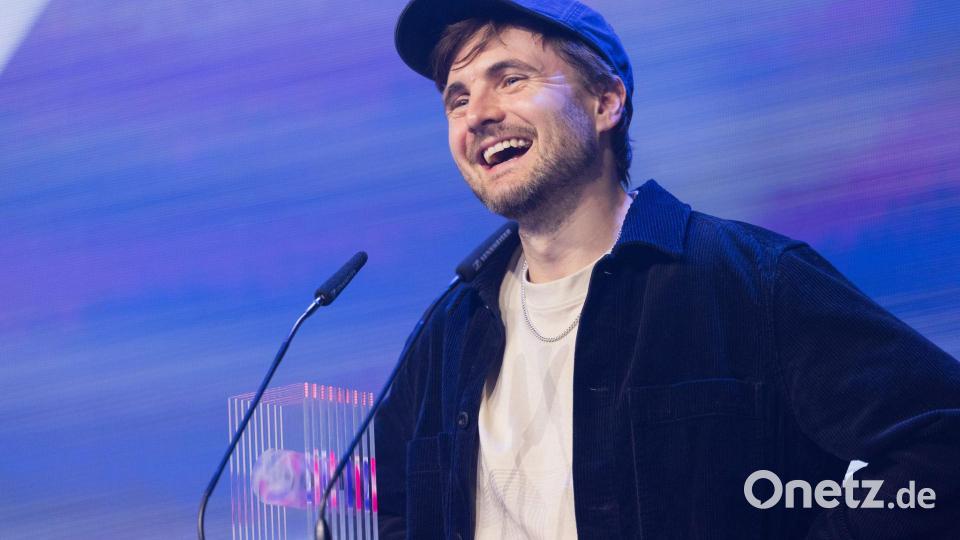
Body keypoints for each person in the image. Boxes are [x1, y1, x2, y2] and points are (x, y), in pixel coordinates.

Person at [375, 1, 960, 538]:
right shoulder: (444, 335)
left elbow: (941, 446)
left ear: (605, 102)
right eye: (457, 99)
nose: (477, 114)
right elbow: (393, 512)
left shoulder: (754, 281)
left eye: (511, 79)